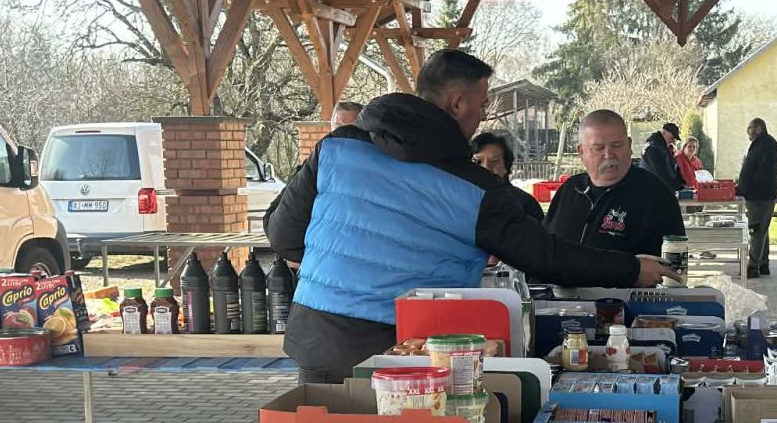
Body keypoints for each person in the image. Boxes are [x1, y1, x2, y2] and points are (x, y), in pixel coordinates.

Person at [266, 51, 670, 381]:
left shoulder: (338, 147)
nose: (482, 116)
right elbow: (545, 257)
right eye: (482, 104)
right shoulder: (475, 190)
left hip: (317, 340)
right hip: (410, 351)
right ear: (457, 104)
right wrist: (632, 268)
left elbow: (282, 235)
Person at [545, 109, 686, 258]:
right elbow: (545, 249)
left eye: (617, 145)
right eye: (598, 148)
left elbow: (674, 264)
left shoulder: (657, 195)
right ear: (581, 152)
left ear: (629, 146)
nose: (608, 154)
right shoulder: (570, 190)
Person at [737, 117, 777, 278]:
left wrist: (746, 188)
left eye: (750, 128)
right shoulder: (760, 144)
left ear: (758, 128)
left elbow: (763, 173)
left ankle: (753, 266)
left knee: (756, 230)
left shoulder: (767, 145)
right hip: (757, 194)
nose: (748, 131)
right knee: (762, 229)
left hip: (760, 195)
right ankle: (763, 263)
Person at [471, 130, 544, 222]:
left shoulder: (525, 203)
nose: (486, 168)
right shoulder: (461, 201)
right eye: (478, 162)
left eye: (494, 161)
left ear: (506, 166)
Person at [640, 122, 685, 192]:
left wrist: (680, 184)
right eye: (671, 138)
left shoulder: (659, 146)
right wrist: (677, 187)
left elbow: (671, 169)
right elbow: (660, 173)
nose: (673, 141)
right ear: (664, 132)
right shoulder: (654, 147)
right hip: (653, 189)